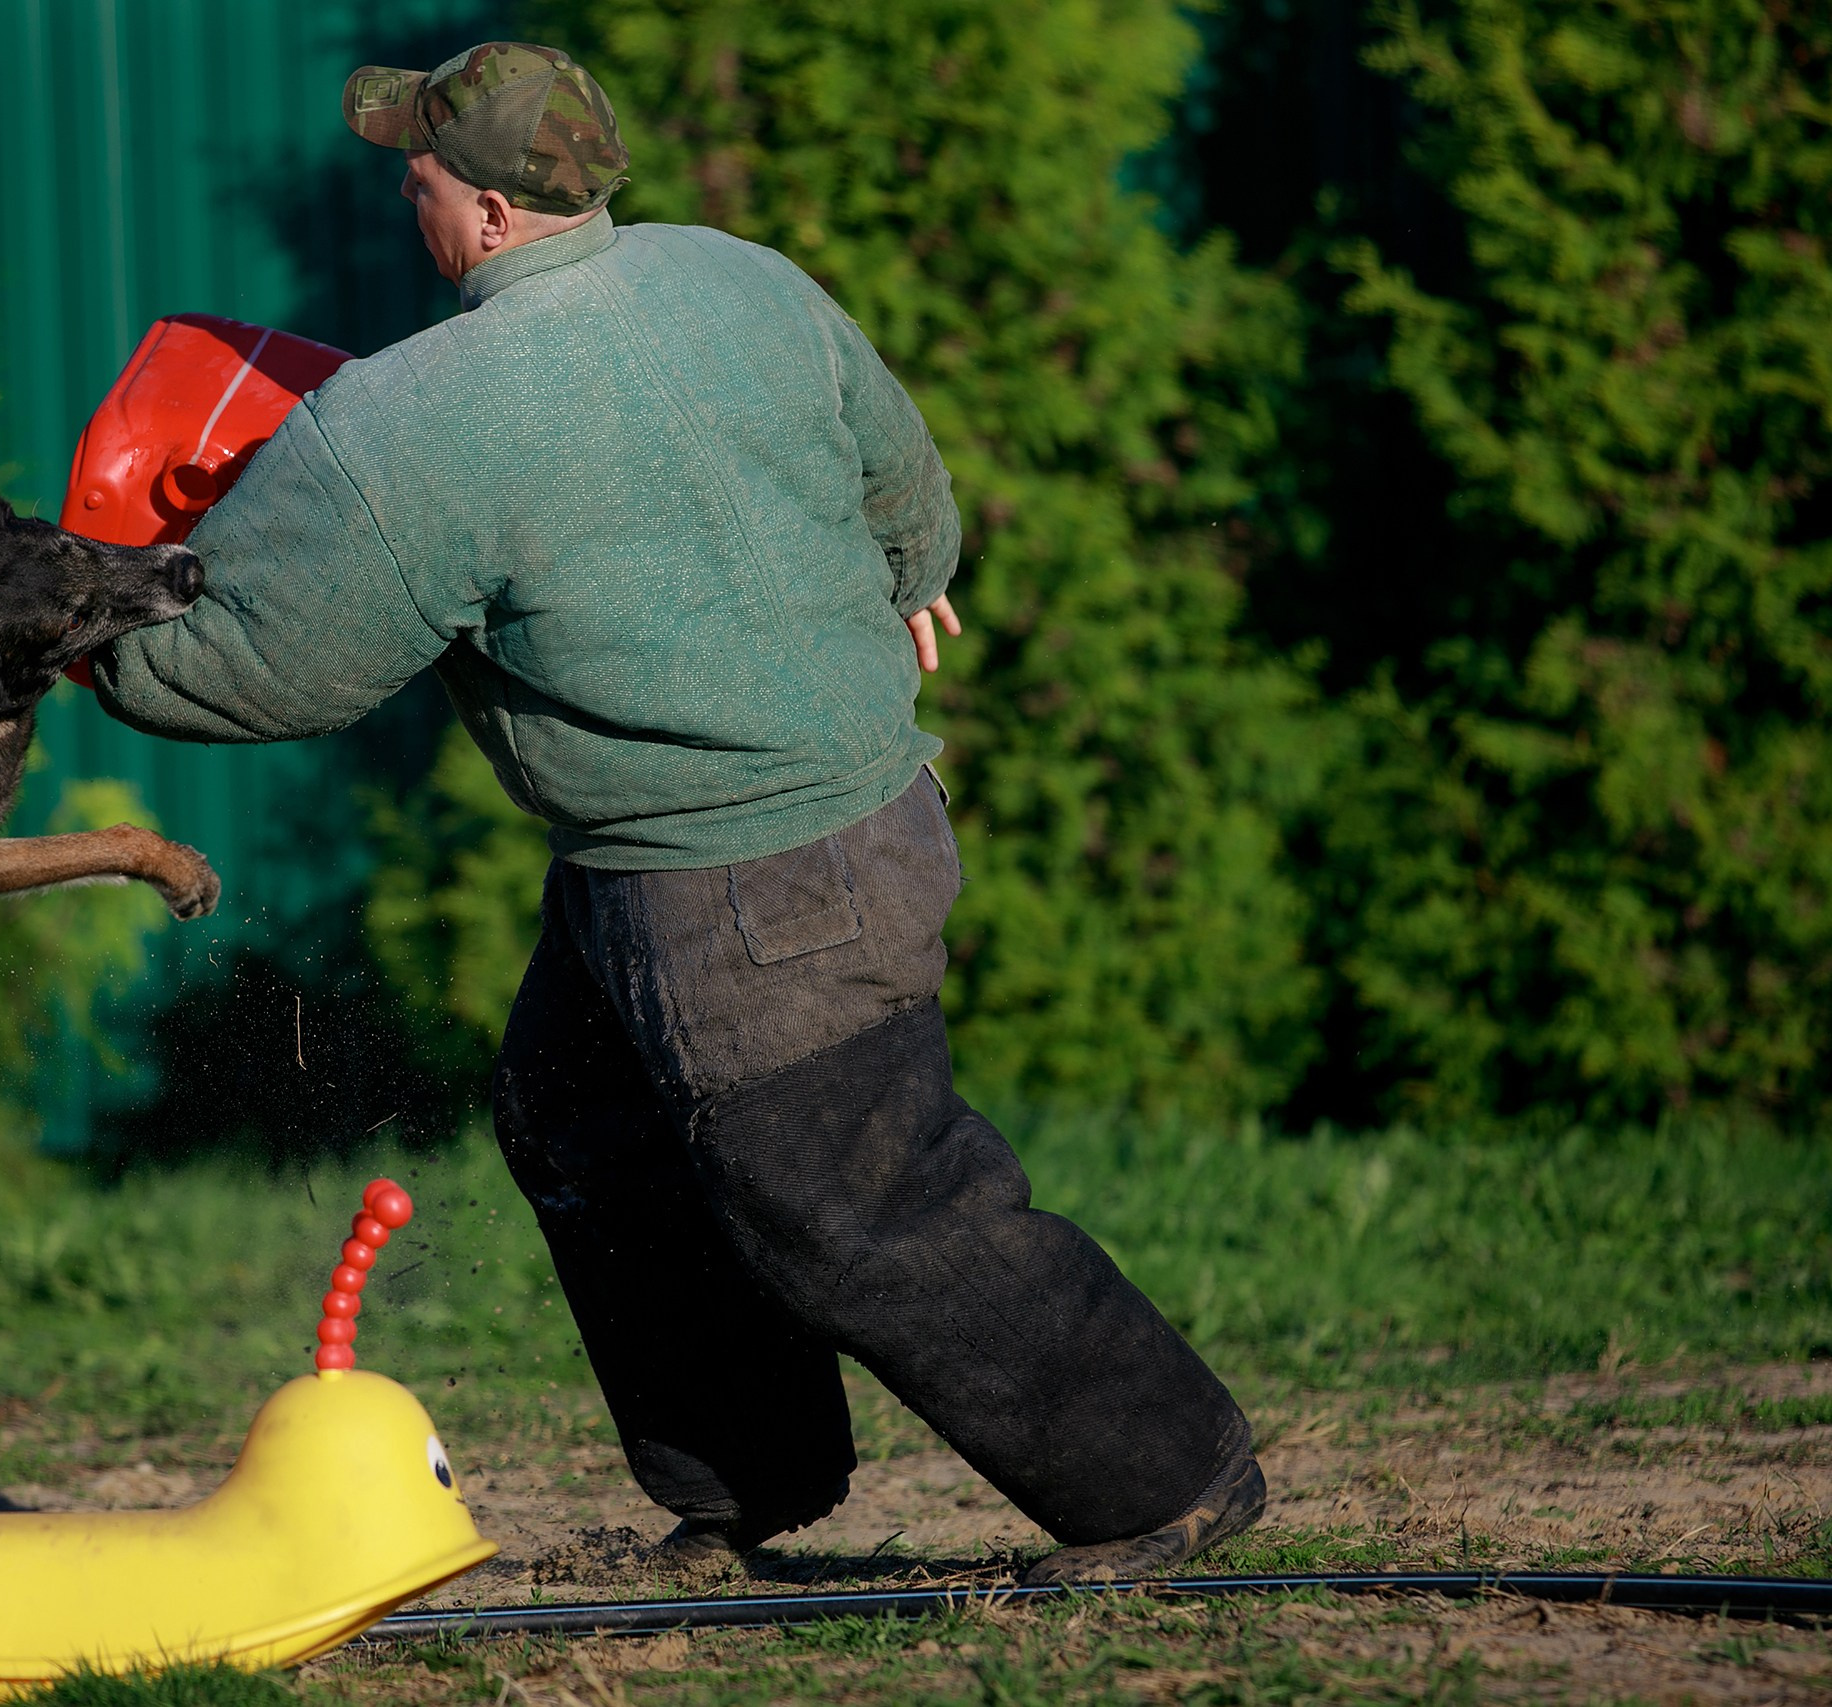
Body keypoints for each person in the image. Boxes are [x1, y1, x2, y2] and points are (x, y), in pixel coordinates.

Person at [86, 41, 1265, 1583]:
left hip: (747, 894)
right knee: (584, 1125)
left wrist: (75, 634)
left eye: (422, 171)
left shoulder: (420, 417)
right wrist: (911, 581)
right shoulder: (747, 280)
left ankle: (1163, 1476)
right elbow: (905, 481)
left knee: (864, 1205)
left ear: (496, 215)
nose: (401, 186)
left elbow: (259, 670)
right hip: (810, 834)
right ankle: (751, 1482)